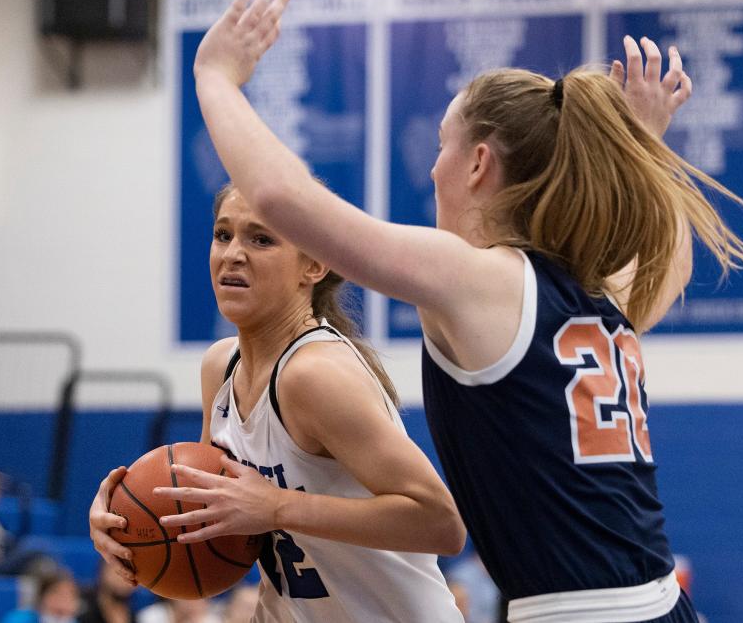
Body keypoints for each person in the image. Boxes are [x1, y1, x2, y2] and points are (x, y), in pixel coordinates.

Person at [172, 0, 743, 623]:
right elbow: (669, 265)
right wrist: (646, 143)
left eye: (441, 143)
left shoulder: (478, 279)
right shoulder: (590, 287)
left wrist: (216, 76)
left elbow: (285, 200)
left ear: (478, 162)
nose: (432, 168)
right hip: (664, 604)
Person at [89, 182, 467, 621]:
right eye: (223, 234)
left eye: (261, 239)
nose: (232, 254)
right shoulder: (220, 368)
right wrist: (126, 524)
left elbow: (442, 523)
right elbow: (212, 524)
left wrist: (276, 507)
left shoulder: (314, 375)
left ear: (314, 263)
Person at [0, 566, 79, 623]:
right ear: (41, 597)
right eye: (56, 594)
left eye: (69, 596)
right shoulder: (18, 619)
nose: (62, 602)